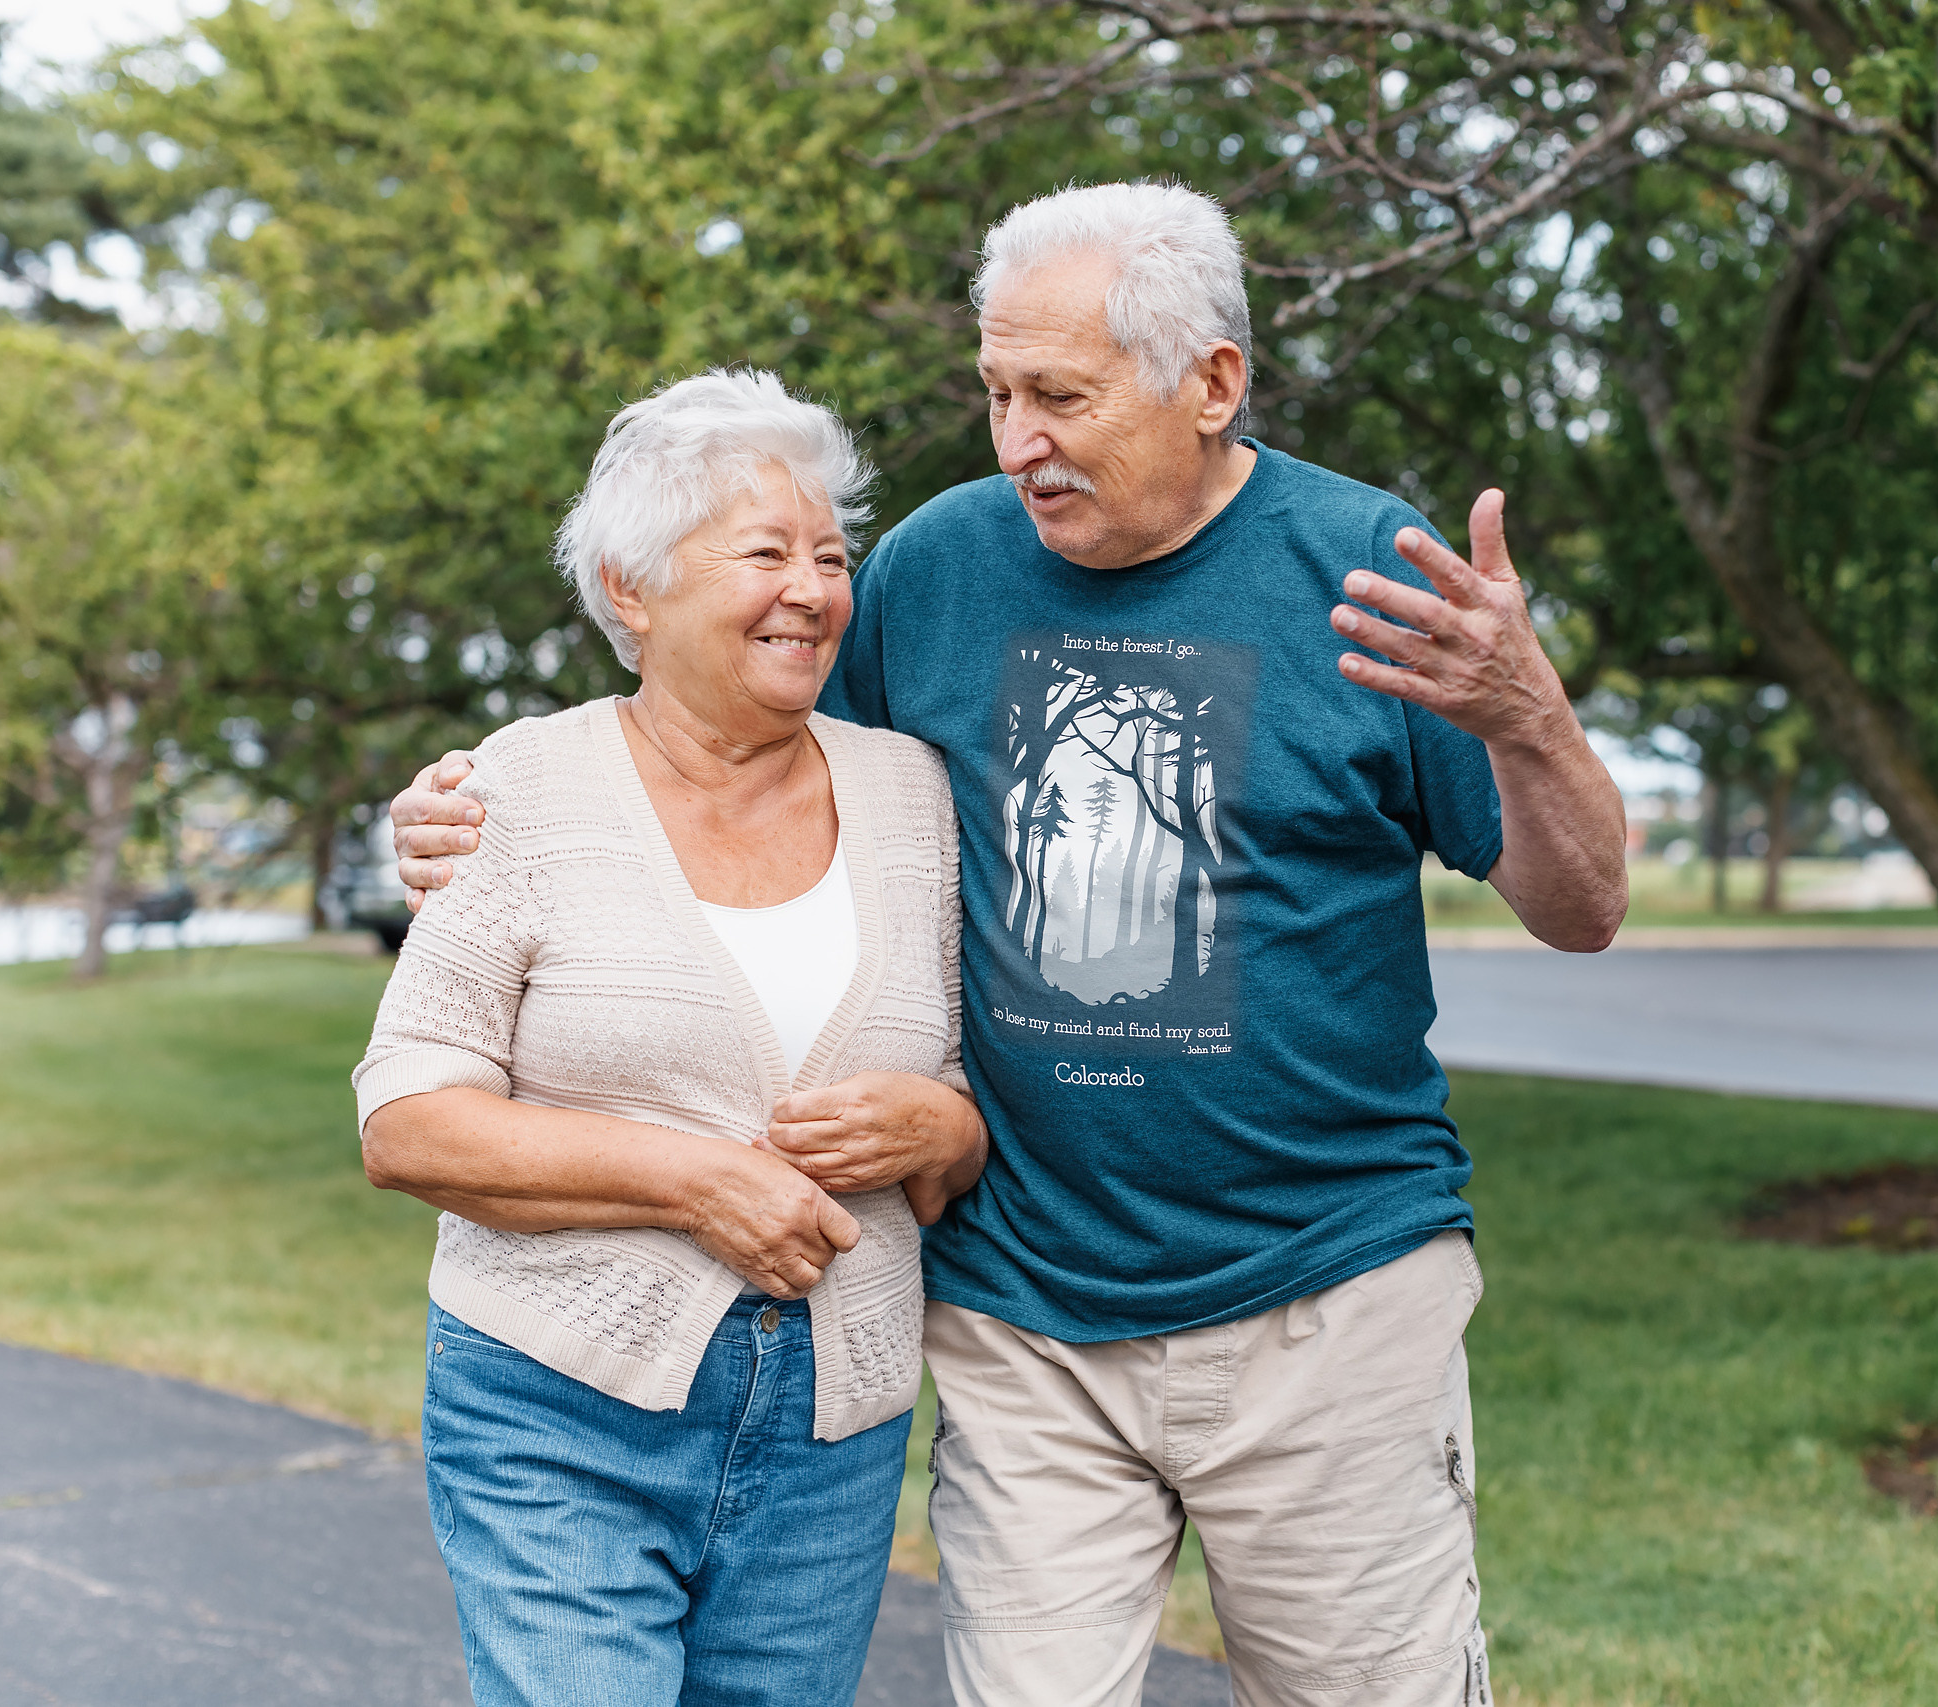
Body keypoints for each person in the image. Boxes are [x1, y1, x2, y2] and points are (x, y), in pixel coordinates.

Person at [392, 182, 1627, 1706]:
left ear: (1213, 383)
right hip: (1023, 1313)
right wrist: (473, 807)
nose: (1017, 440)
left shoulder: (1370, 571)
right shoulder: (934, 569)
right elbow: (745, 794)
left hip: (1327, 1296)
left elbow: (1584, 908)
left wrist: (1529, 718)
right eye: (995, 394)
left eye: (1060, 396)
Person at [353, 367, 986, 1707]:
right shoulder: (514, 789)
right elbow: (407, 1122)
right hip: (556, 1406)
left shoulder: (914, 797)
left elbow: (960, 1112)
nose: (811, 590)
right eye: (765, 553)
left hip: (835, 1424)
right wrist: (698, 1181)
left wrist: (950, 1127)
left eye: (829, 556)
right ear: (629, 589)